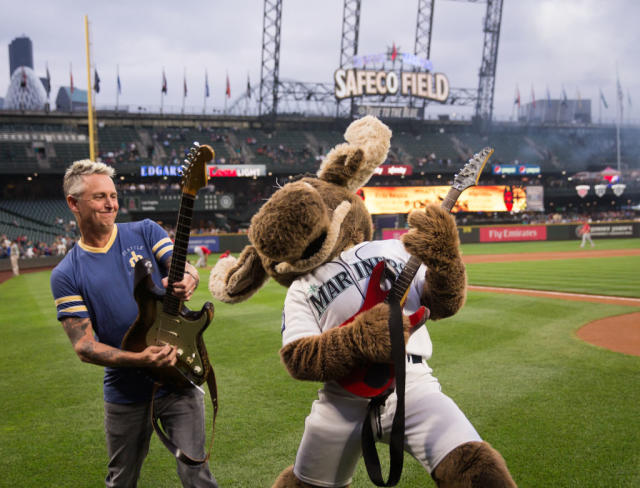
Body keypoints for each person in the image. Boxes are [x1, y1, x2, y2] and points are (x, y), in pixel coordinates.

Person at [50, 160, 217, 488]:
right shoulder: (66, 274)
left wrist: (189, 278)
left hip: (178, 376)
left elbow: (181, 269)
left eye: (113, 195)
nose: (110, 203)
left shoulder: (145, 230)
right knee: (122, 480)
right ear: (73, 203)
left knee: (195, 473)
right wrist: (140, 360)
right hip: (125, 390)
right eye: (99, 197)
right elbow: (84, 346)